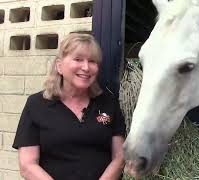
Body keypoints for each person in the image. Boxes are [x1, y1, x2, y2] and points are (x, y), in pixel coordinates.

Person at [12, 33, 126, 180]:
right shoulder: (36, 104)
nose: (86, 67)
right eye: (78, 59)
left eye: (92, 61)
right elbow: (27, 165)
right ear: (59, 66)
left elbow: (119, 158)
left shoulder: (109, 103)